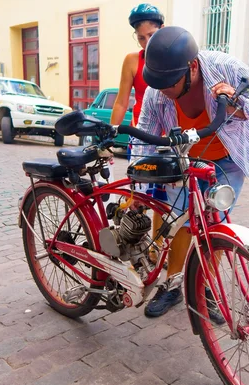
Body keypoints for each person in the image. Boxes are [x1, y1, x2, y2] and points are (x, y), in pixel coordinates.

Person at [132, 26, 249, 320]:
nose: (162, 90)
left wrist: (239, 105)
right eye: (157, 83)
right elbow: (143, 138)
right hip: (183, 163)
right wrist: (138, 189)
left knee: (214, 225)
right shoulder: (156, 92)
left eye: (168, 83)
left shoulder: (224, 67)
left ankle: (205, 288)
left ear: (193, 68)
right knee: (180, 225)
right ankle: (173, 285)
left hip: (226, 161)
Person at [111, 3, 168, 265]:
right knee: (140, 195)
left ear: (162, 30)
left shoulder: (173, 54)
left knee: (163, 197)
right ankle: (125, 232)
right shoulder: (132, 61)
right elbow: (122, 101)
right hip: (143, 137)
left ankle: (157, 247)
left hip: (170, 138)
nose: (147, 43)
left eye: (152, 36)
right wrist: (112, 133)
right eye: (141, 37)